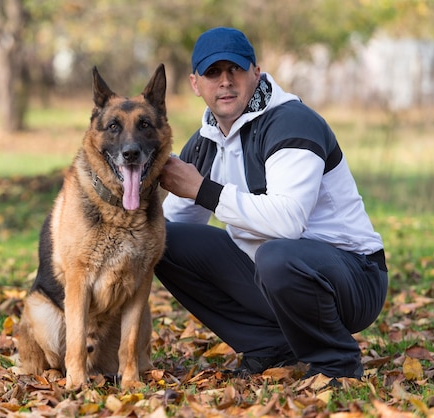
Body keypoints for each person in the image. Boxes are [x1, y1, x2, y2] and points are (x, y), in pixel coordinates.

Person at [156, 27, 388, 379]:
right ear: (194, 83)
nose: (225, 82)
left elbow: (288, 222)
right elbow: (173, 222)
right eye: (213, 73)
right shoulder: (204, 141)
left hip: (354, 277)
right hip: (274, 276)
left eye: (234, 70)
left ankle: (335, 363)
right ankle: (271, 347)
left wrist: (203, 189)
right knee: (162, 241)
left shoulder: (291, 122)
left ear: (255, 73)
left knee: (277, 254)